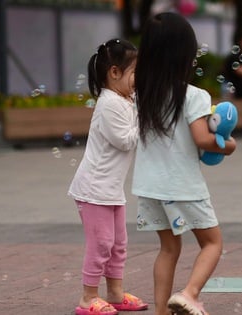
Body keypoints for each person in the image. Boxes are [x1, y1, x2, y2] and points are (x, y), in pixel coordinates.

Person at [133, 12, 236, 315]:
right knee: (212, 243)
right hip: (182, 185)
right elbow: (203, 140)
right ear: (184, 53)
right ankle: (189, 294)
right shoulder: (194, 96)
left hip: (149, 187)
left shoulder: (142, 96)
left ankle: (161, 312)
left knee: (168, 248)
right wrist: (228, 145)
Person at [68, 39, 148, 315]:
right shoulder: (109, 103)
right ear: (115, 72)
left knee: (118, 244)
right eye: (135, 72)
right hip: (93, 189)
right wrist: (143, 118)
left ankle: (114, 293)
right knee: (101, 244)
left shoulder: (125, 99)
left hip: (111, 189)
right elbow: (125, 141)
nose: (139, 79)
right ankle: (88, 297)